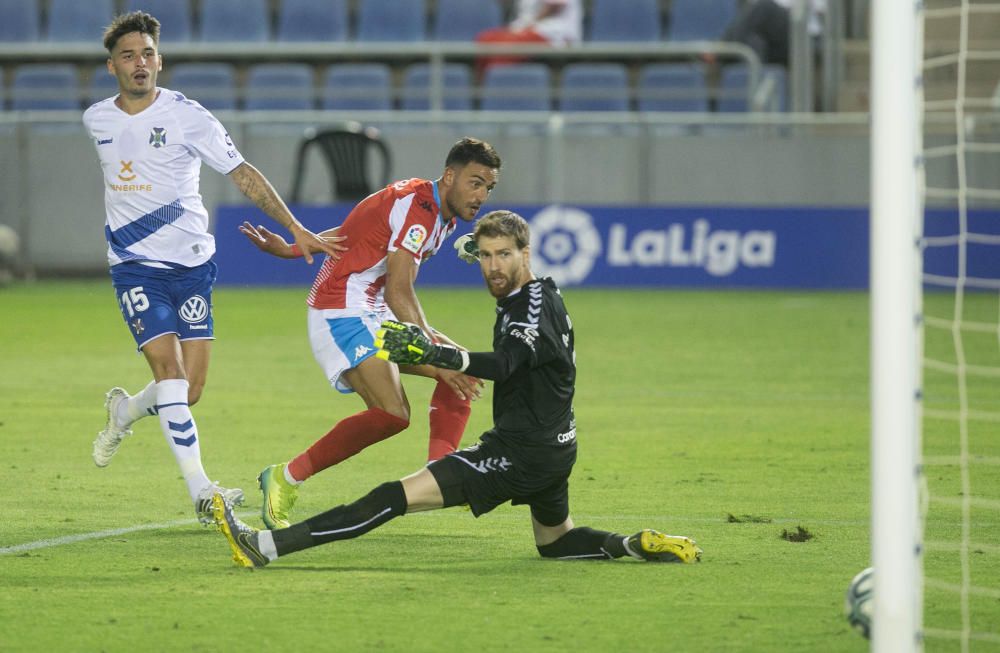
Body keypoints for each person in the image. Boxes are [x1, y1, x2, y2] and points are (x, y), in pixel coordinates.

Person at [210, 210, 703, 568]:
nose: (493, 266)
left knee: (391, 497)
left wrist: (442, 356)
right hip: (558, 449)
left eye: (504, 255)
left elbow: (509, 362)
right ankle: (632, 544)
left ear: (525, 254)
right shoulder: (536, 292)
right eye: (485, 256)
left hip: (520, 452)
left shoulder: (528, 309)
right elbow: (492, 270)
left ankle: (266, 547)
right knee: (555, 542)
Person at [83, 11, 343, 524]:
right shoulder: (97, 118)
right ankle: (203, 492)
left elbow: (243, 174)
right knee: (172, 377)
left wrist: (295, 227)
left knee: (190, 391)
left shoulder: (188, 116)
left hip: (194, 265)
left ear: (161, 59)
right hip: (135, 267)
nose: (141, 63)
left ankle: (125, 411)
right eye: (129, 56)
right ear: (112, 66)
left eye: (149, 53)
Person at [238, 137, 501, 530]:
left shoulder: (433, 208)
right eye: (475, 182)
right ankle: (284, 476)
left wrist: (292, 249)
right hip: (341, 311)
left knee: (463, 370)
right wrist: (434, 354)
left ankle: (441, 476)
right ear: (449, 176)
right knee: (393, 413)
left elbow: (354, 231)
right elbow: (399, 291)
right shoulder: (420, 210)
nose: (481, 195)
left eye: (488, 187)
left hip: (369, 311)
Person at [474, 0, 583, 76]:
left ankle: (495, 91)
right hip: (528, 30)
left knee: (502, 51)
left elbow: (554, 6)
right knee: (485, 39)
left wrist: (526, 27)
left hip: (554, 33)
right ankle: (479, 97)